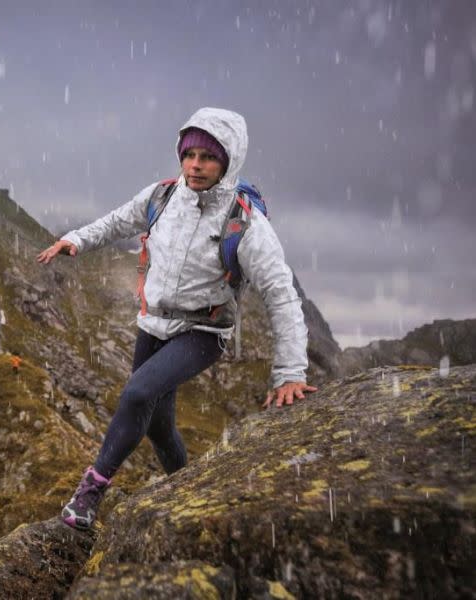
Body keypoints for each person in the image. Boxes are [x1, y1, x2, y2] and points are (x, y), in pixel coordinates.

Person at [36, 107, 318, 531]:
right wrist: (74, 240)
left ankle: (89, 494)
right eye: (189, 155)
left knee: (137, 393)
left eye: (208, 157)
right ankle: (189, 496)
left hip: (202, 332)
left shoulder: (246, 223)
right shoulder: (162, 197)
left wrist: (290, 372)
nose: (195, 166)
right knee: (159, 427)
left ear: (228, 161)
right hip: (152, 323)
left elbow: (281, 296)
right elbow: (117, 221)